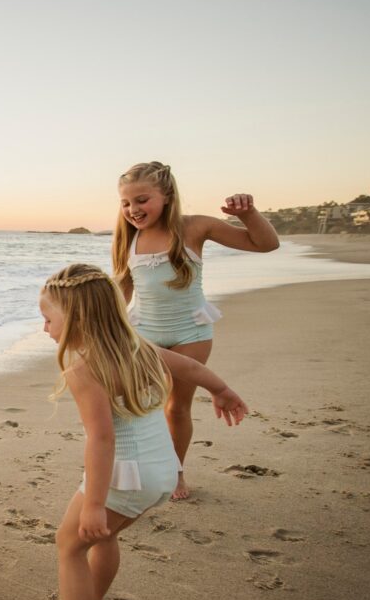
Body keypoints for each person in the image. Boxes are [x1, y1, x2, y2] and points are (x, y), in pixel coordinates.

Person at [30, 264, 248, 600]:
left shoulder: (83, 367)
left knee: (69, 546)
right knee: (105, 537)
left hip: (123, 477)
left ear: (76, 319)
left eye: (48, 319)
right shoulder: (137, 346)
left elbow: (102, 437)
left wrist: (94, 503)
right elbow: (191, 368)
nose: (45, 328)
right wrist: (222, 390)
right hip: (162, 470)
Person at [112, 161, 278, 501]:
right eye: (126, 203)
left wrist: (248, 215)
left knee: (177, 408)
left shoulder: (196, 227)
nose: (133, 210)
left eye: (142, 200)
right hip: (144, 334)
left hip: (191, 333)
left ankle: (176, 473)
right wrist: (105, 327)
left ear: (168, 195)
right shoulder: (130, 237)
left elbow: (266, 244)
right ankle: (129, 469)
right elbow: (122, 289)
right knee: (129, 403)